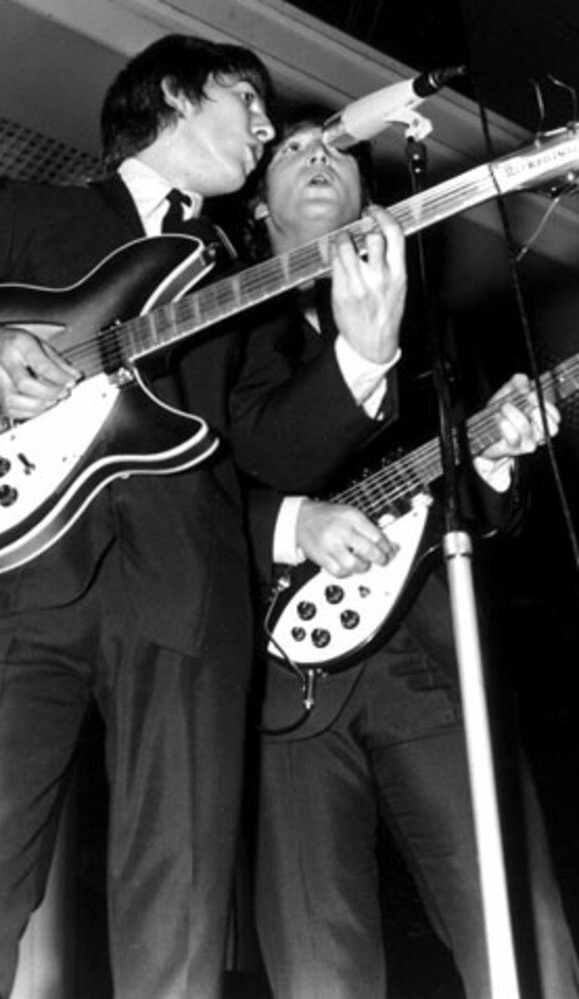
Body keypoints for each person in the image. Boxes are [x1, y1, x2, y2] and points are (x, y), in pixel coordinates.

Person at [0, 33, 284, 999]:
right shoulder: (34, 211)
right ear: (174, 92)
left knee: (177, 929)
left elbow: (274, 442)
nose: (265, 128)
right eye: (246, 100)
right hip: (18, 586)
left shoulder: (236, 274)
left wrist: (366, 362)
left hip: (186, 597)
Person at [237, 118, 579, 998]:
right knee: (319, 956)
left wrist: (499, 451)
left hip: (429, 653)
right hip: (282, 670)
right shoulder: (220, 332)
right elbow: (181, 497)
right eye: (289, 150)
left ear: (372, 202)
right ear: (256, 208)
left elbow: (477, 505)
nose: (319, 156)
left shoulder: (435, 334)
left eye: (338, 150)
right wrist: (291, 523)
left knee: (519, 932)